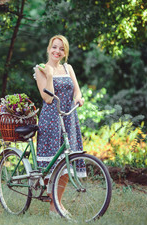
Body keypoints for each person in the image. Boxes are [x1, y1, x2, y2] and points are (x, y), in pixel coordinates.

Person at [33, 35, 85, 214]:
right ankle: (54, 205)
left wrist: (79, 99)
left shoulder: (68, 68)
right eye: (54, 47)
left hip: (68, 118)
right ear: (48, 49)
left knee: (67, 163)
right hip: (50, 119)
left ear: (65, 53)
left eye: (61, 49)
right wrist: (49, 75)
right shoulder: (40, 69)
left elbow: (76, 91)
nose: (57, 51)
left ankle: (57, 203)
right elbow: (47, 98)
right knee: (51, 164)